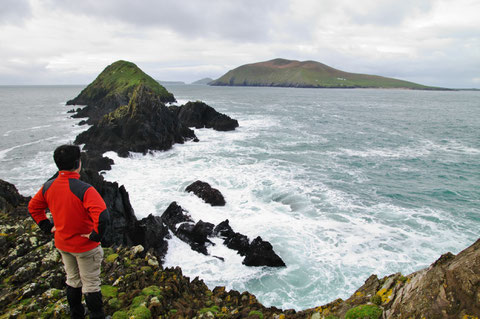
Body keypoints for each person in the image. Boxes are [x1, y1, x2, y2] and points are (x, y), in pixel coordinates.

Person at [28, 144, 110, 319]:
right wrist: (95, 236)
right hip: (85, 247)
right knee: (91, 285)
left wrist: (47, 226)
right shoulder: (85, 189)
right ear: (78, 163)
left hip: (63, 244)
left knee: (72, 280)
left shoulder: (48, 187)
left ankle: (76, 315)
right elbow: (103, 216)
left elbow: (33, 207)